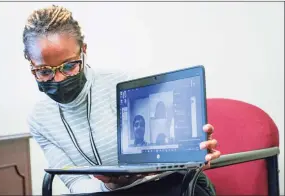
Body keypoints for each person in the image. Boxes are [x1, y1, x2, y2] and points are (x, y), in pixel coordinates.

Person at [24, 5, 221, 194]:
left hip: (169, 185)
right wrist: (111, 187)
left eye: (69, 66)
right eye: (44, 72)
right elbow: (76, 183)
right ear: (30, 63)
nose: (58, 79)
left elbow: (171, 141)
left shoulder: (127, 84)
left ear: (83, 51)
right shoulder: (40, 119)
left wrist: (193, 150)